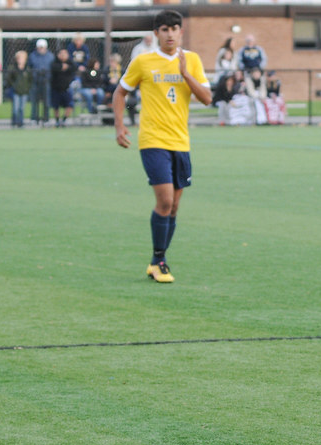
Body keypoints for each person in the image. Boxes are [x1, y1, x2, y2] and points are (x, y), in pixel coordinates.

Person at [112, 9, 212, 284]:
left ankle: (159, 258)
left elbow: (206, 98)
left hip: (180, 142)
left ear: (181, 32)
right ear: (156, 34)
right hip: (153, 141)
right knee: (165, 201)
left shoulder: (191, 60)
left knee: (175, 206)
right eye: (164, 29)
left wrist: (185, 74)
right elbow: (120, 92)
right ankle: (159, 261)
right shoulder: (144, 62)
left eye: (174, 29)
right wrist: (120, 126)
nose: (170, 34)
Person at [27, 39, 54, 126]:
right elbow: (29, 67)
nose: (41, 49)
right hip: (35, 81)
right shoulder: (32, 56)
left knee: (46, 101)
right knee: (34, 101)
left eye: (42, 47)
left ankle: (46, 118)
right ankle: (34, 118)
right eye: (39, 47)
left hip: (46, 81)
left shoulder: (50, 56)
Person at [50, 48, 76, 127]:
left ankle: (64, 120)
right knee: (56, 106)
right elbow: (54, 68)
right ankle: (57, 121)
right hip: (56, 88)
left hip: (66, 88)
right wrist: (62, 66)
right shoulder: (55, 62)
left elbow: (74, 67)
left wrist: (66, 67)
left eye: (65, 54)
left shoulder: (70, 62)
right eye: (61, 54)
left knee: (70, 105)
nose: (63, 55)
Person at [6, 49, 32, 128]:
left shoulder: (27, 69)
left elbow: (30, 80)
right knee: (15, 108)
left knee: (21, 108)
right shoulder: (13, 68)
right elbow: (9, 79)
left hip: (24, 91)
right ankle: (14, 123)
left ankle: (20, 123)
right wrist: (14, 86)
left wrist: (27, 88)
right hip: (15, 91)